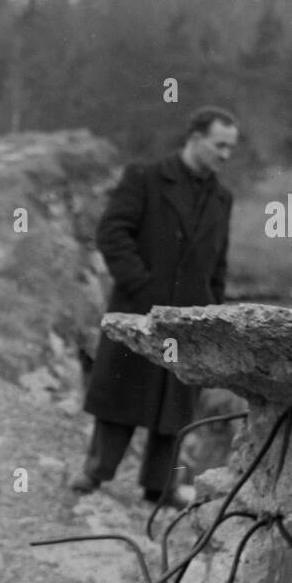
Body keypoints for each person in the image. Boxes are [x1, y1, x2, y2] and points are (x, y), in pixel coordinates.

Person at [74, 106, 237, 506]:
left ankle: (160, 487)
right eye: (219, 145)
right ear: (195, 138)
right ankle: (95, 474)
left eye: (230, 148)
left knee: (174, 407)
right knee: (120, 395)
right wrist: (142, 287)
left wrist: (212, 314)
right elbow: (112, 233)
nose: (225, 155)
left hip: (189, 321)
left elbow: (218, 263)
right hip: (138, 310)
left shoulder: (222, 198)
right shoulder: (144, 178)